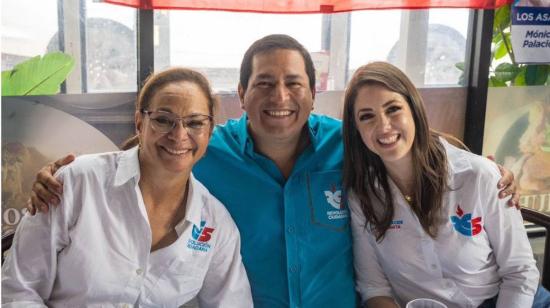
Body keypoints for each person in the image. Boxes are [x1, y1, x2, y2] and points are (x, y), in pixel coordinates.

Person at [27, 35, 518, 307]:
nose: (280, 97)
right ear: (240, 95)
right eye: (264, 83)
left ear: (312, 90)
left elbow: (407, 138)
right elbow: (151, 145)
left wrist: (482, 166)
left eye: (293, 83)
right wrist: (57, 174)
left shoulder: (346, 141)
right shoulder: (205, 146)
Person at [2, 67, 252, 307]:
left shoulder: (215, 225)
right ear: (139, 123)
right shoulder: (77, 183)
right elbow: (17, 292)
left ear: (210, 131)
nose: (178, 135)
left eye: (195, 123)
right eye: (163, 120)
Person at [343, 62, 548, 308]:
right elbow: (374, 287)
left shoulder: (477, 176)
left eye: (393, 109)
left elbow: (520, 272)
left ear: (414, 110)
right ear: (356, 129)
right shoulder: (363, 196)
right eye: (367, 116)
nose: (384, 126)